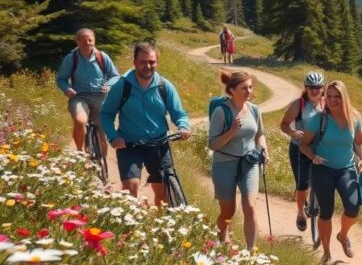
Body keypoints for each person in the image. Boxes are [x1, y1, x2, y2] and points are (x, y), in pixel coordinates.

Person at [100, 43, 192, 205]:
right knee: (130, 187)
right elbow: (106, 114)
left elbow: (179, 113)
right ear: (134, 62)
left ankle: (159, 227)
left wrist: (183, 126)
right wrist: (113, 137)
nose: (147, 66)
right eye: (143, 62)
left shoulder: (164, 86)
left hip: (159, 144)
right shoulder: (122, 86)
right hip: (129, 145)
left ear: (157, 62)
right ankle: (129, 227)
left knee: (162, 192)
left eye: (152, 62)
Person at [298, 80, 362, 264]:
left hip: (346, 168)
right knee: (326, 211)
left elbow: (360, 142)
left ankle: (343, 236)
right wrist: (314, 157)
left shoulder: (355, 118)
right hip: (322, 169)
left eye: (337, 96)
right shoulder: (318, 119)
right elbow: (303, 145)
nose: (332, 100)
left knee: (353, 208)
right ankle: (327, 253)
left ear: (344, 97)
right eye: (329, 96)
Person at [209, 70, 268, 251]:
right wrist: (232, 130)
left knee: (250, 206)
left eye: (250, 87)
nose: (249, 92)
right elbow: (213, 144)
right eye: (244, 88)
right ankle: (221, 237)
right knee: (228, 211)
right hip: (224, 164)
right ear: (232, 90)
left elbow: (260, 134)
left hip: (249, 163)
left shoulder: (254, 110)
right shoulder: (221, 111)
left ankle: (250, 251)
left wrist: (264, 149)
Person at [55, 28, 120, 154]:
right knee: (80, 121)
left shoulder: (102, 57)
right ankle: (80, 152)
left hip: (100, 97)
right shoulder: (71, 58)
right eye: (84, 40)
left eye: (90, 40)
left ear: (94, 40)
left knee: (103, 136)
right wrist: (66, 88)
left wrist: (108, 85)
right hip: (79, 97)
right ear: (77, 42)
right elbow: (61, 79)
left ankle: (102, 167)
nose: (88, 43)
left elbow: (115, 76)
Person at [279, 71, 326, 232]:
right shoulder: (298, 105)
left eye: (318, 87)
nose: (315, 90)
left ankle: (315, 199)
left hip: (320, 149)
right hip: (298, 149)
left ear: (323, 88)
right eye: (311, 87)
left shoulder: (327, 104)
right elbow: (284, 124)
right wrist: (292, 132)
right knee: (302, 184)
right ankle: (300, 213)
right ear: (305, 88)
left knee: (319, 181)